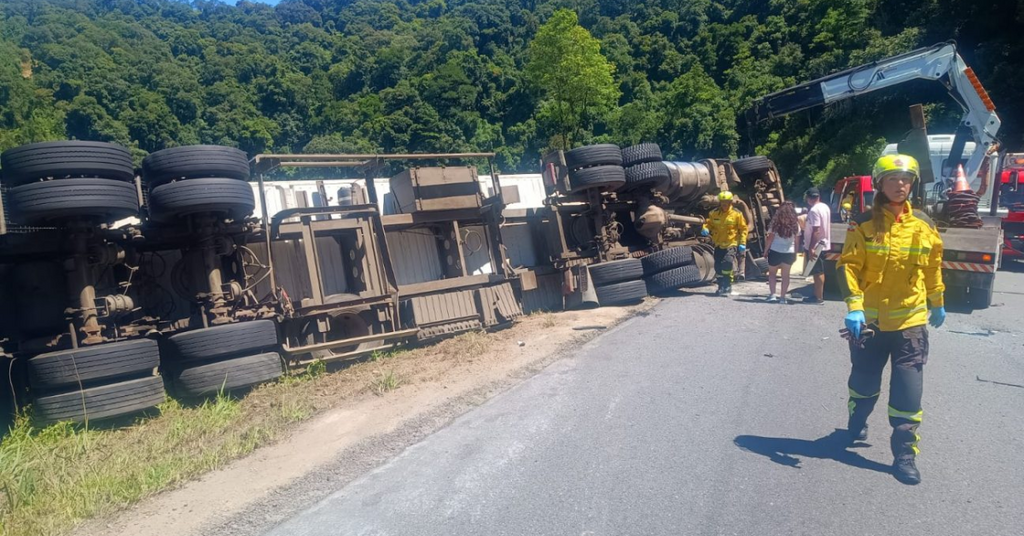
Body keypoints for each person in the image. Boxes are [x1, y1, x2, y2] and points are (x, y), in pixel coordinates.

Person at [837, 154, 946, 485]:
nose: (901, 185)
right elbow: (848, 265)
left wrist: (937, 302)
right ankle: (857, 422)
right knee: (864, 383)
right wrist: (854, 305)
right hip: (869, 324)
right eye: (894, 179)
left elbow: (932, 266)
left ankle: (904, 455)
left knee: (908, 393)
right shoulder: (864, 222)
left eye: (906, 179)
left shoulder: (924, 224)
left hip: (910, 325)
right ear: (880, 184)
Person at [702, 191, 748, 296]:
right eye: (722, 202)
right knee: (718, 266)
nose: (724, 204)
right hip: (718, 243)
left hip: (731, 243)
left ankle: (727, 284)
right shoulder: (713, 213)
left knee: (727, 262)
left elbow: (743, 229)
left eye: (726, 202)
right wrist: (705, 229)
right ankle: (721, 286)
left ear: (730, 202)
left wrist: (742, 243)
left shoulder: (737, 214)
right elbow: (708, 224)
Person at [763, 201, 799, 303]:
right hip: (789, 252)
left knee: (772, 274)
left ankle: (773, 294)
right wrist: (795, 253)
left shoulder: (775, 223)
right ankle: (782, 297)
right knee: (785, 276)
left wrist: (765, 251)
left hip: (775, 251)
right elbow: (797, 240)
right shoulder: (795, 224)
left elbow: (770, 238)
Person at [802, 187, 831, 304]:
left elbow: (816, 230)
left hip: (817, 246)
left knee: (817, 271)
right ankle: (816, 294)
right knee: (817, 271)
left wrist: (811, 247)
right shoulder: (825, 207)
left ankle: (818, 297)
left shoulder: (814, 210)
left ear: (808, 198)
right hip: (824, 243)